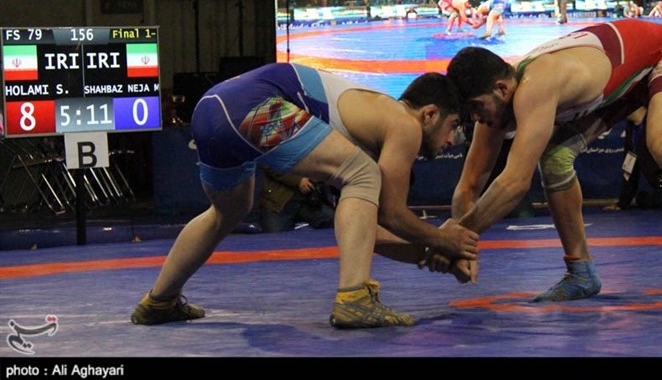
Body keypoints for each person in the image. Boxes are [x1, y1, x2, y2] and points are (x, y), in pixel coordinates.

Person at [443, 19, 662, 308]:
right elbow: (468, 186)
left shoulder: (537, 85)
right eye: (470, 113)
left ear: (501, 89)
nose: (477, 119)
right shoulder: (494, 109)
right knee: (554, 158)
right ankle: (581, 273)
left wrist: (458, 236)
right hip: (619, 84)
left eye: (477, 107)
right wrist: (462, 246)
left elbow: (515, 182)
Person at [131, 64, 479, 328]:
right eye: (453, 126)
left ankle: (159, 301)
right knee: (362, 173)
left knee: (227, 212)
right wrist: (443, 240)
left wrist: (429, 253)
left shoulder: (370, 127)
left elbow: (366, 231)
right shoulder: (404, 123)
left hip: (210, 110)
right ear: (429, 113)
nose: (452, 141)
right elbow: (392, 214)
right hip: (251, 105)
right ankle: (354, 298)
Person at [259, 167, 334, 232]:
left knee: (332, 220)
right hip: (278, 202)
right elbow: (269, 165)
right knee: (274, 239)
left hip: (309, 199)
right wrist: (298, 180)